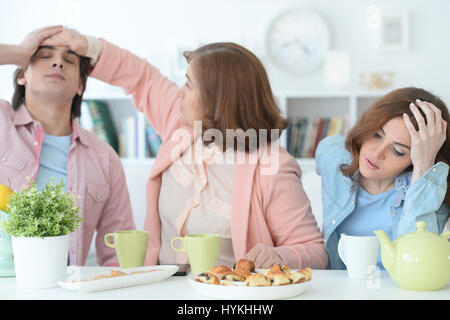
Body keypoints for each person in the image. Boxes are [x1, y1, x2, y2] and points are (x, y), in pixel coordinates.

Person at [42, 27, 329, 269]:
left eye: (189, 84)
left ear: (219, 99)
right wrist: (89, 46)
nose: (179, 92)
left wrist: (280, 256)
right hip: (159, 288)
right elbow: (143, 77)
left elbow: (314, 250)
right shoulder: (182, 128)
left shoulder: (271, 165)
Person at [0, 26, 136, 266]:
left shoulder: (104, 159)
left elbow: (119, 257)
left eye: (69, 61)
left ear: (80, 85)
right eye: (44, 56)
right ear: (22, 75)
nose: (58, 63)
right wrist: (17, 52)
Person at [315, 87, 449, 270]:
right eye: (377, 135)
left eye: (398, 151)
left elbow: (419, 266)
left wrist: (424, 166)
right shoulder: (332, 156)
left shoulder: (431, 191)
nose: (376, 153)